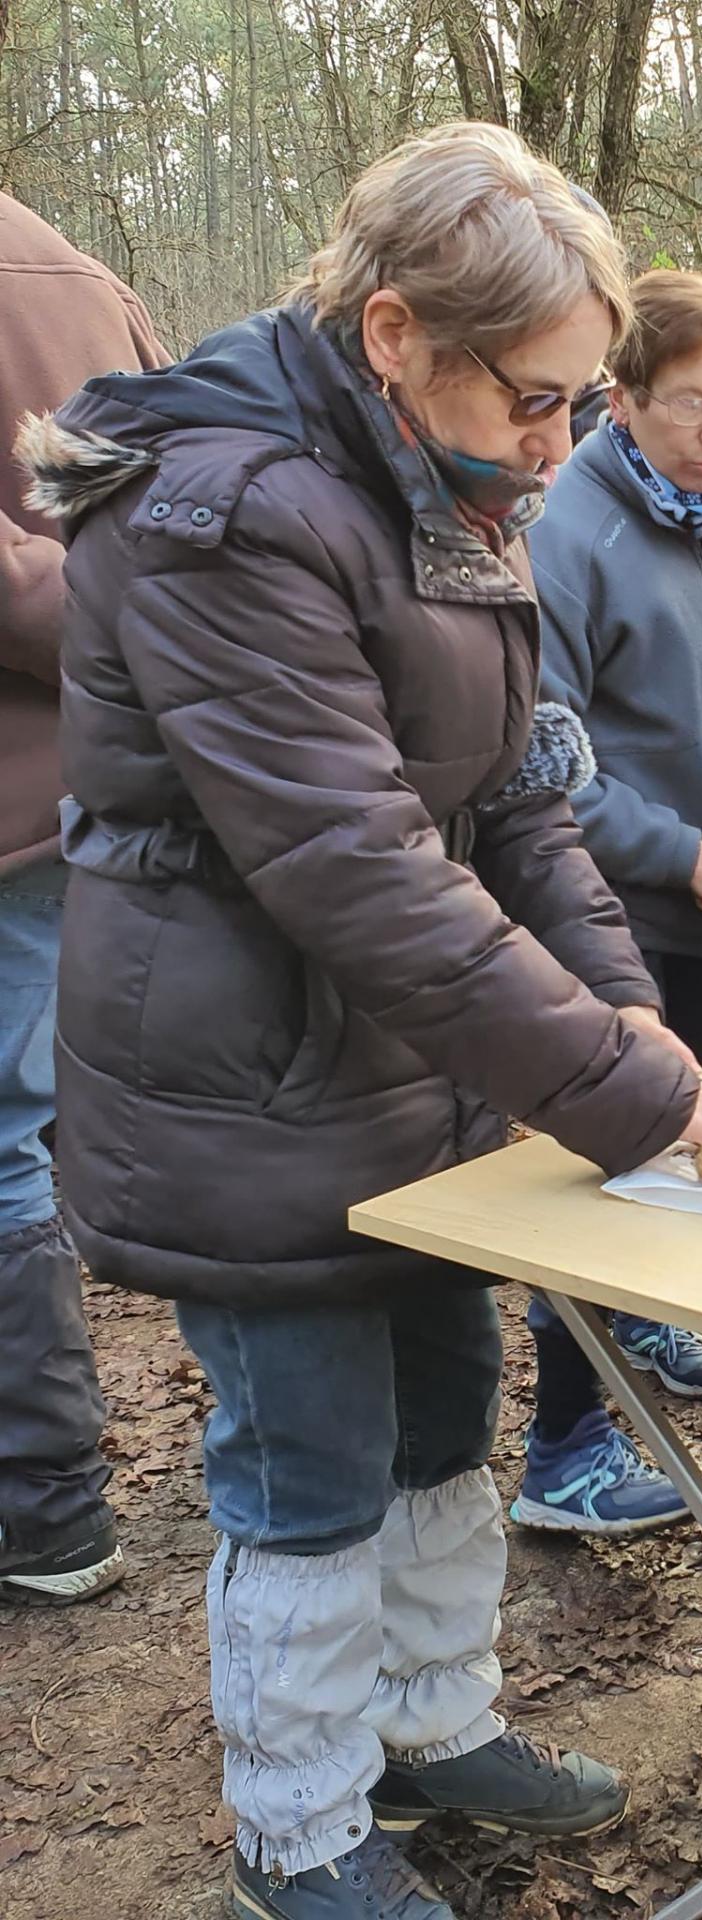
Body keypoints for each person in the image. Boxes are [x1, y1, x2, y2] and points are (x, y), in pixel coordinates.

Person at [21, 122, 702, 1920]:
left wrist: (628, 1024)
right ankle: (296, 1835)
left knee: (449, 1408)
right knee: (305, 1463)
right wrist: (624, 1087)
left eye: (578, 397)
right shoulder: (223, 513)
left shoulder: (453, 492)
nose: (564, 440)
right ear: (397, 335)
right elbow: (355, 865)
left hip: (424, 1066)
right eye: (537, 399)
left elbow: (528, 800)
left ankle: (435, 1723)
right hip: (247, 1084)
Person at [514, 269, 702, 1534]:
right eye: (691, 404)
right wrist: (676, 847)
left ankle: (647, 1314)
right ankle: (562, 1451)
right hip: (610, 918)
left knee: (689, 1148)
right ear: (619, 397)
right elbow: (535, 758)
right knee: (601, 1167)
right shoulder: (571, 533)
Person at [0, 195, 166, 1605]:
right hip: (73, 789)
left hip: (22, 799)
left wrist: (89, 611)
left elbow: (130, 557)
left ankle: (47, 1504)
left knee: (3, 1145)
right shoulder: (79, 266)